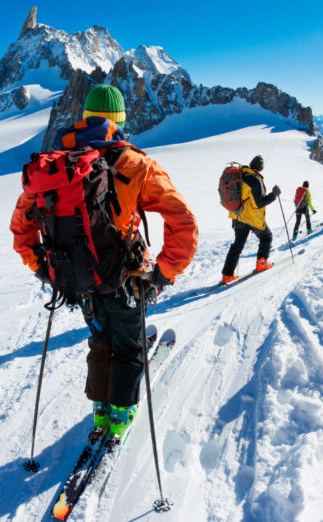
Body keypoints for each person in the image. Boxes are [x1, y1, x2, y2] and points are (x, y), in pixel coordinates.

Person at [10, 84, 198, 438]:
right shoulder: (135, 164)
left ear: (84, 119)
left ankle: (100, 410)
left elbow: (22, 226)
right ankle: (121, 414)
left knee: (100, 340)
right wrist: (162, 273)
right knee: (128, 345)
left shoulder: (54, 167)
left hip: (77, 279)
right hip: (127, 278)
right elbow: (183, 221)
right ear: (120, 121)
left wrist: (43, 268)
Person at [221, 155, 281, 283]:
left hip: (238, 216)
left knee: (237, 245)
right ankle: (261, 263)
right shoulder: (255, 179)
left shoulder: (242, 175)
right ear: (261, 168)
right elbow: (259, 203)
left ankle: (227, 275)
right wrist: (274, 195)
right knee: (267, 237)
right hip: (251, 218)